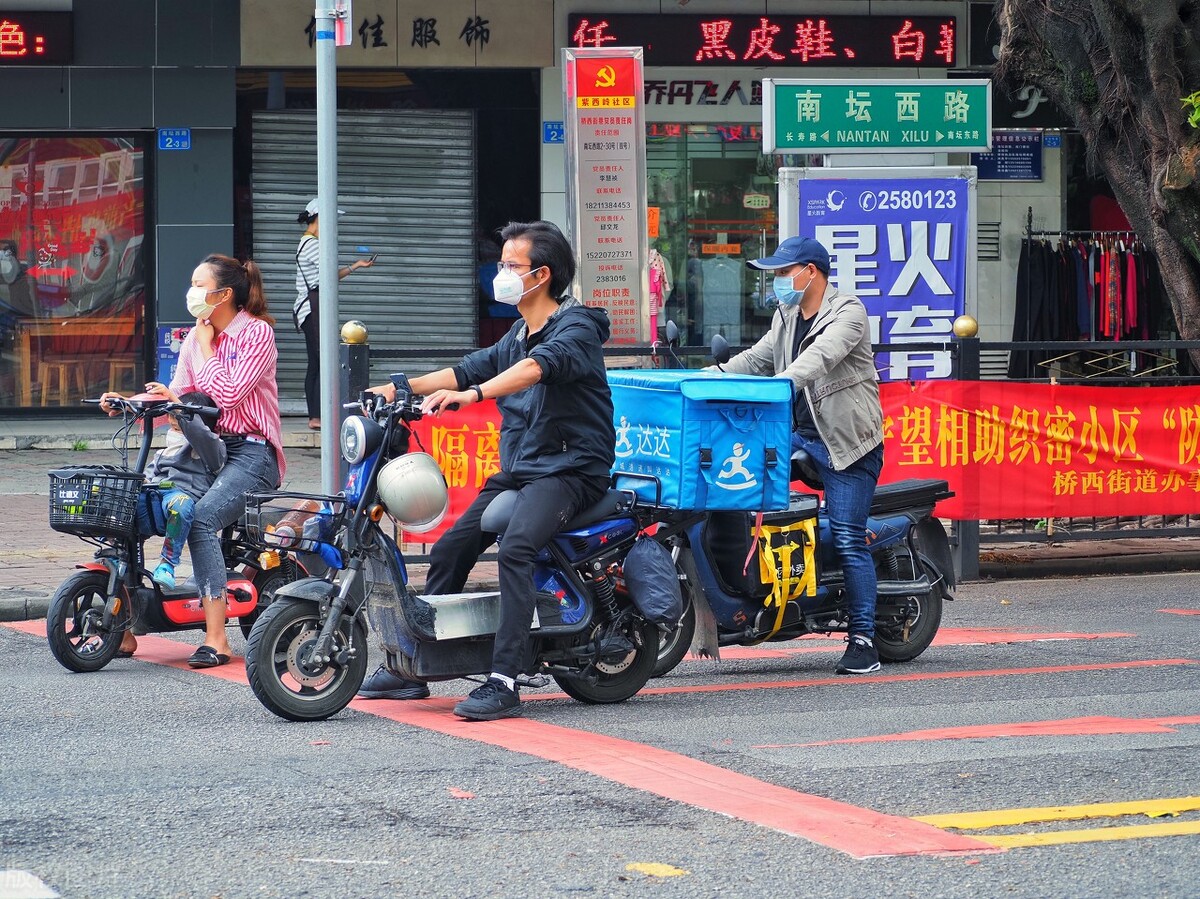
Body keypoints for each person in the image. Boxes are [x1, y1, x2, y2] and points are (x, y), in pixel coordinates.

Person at [357, 220, 615, 721]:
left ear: (541, 275)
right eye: (501, 265)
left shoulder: (576, 328)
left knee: (517, 548)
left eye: (510, 265)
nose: (500, 273)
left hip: (571, 469)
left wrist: (473, 396)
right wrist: (397, 389)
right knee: (453, 546)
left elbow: (535, 369)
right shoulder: (519, 332)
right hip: (523, 467)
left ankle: (505, 679)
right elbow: (468, 368)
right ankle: (417, 665)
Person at [105, 254, 285, 667]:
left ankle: (217, 639)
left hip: (252, 454)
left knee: (201, 519)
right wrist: (127, 403)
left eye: (198, 283)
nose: (191, 291)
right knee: (130, 509)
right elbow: (180, 398)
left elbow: (228, 397)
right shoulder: (193, 339)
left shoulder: (256, 334)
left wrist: (207, 348)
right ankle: (124, 627)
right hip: (202, 450)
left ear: (223, 294)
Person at [723, 236, 885, 675]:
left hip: (846, 444)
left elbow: (818, 359)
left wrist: (781, 386)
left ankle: (864, 638)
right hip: (798, 436)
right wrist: (705, 378)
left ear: (809, 271)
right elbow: (756, 360)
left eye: (782, 272)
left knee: (850, 537)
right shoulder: (786, 314)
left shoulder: (848, 312)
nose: (776, 281)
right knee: (733, 486)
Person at [294, 198, 374, 430]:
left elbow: (327, 275)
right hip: (311, 308)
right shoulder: (312, 245)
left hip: (312, 308)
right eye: (331, 219)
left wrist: (356, 266)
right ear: (319, 217)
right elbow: (328, 274)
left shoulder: (310, 242)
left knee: (318, 362)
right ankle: (316, 415)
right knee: (320, 361)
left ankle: (318, 414)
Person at [136, 388, 226, 590]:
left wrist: (182, 412)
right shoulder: (163, 453)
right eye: (172, 416)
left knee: (181, 505)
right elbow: (150, 475)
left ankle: (167, 563)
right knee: (123, 497)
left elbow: (201, 436)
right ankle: (120, 554)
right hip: (155, 495)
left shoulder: (211, 448)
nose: (174, 421)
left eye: (181, 422)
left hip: (179, 496)